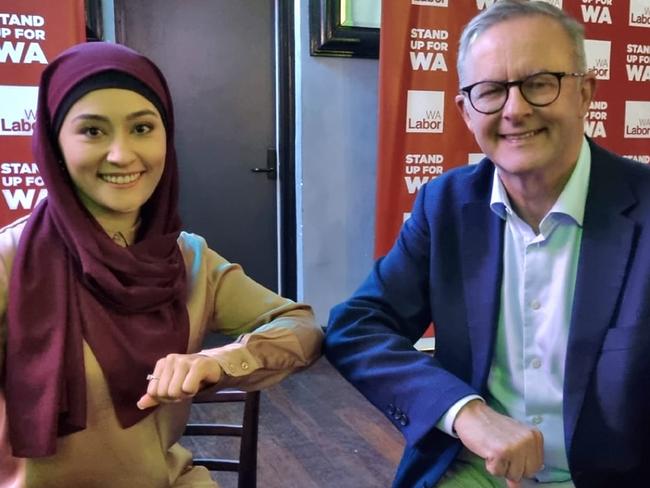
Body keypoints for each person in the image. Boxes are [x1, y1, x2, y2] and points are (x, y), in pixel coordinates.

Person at [325, 1, 650, 487]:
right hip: (477, 469)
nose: (515, 110)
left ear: (585, 93)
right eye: (491, 91)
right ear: (464, 111)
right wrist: (465, 413)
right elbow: (357, 326)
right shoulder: (445, 204)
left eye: (540, 83)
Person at [0, 41, 322, 487]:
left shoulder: (188, 259)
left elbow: (301, 327)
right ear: (53, 143)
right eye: (93, 131)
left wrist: (221, 361)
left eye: (142, 128)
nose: (121, 154)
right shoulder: (10, 265)